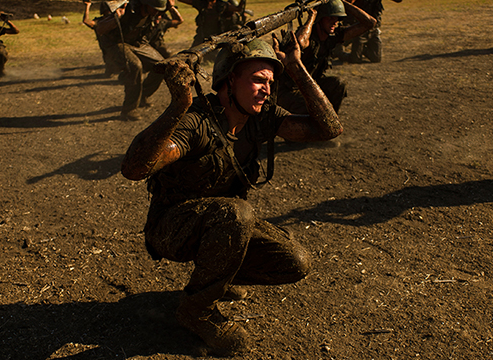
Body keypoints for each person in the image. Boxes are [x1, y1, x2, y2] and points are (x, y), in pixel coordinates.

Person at [121, 33, 343, 355]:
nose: (266, 89)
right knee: (237, 213)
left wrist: (295, 66)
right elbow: (134, 168)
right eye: (257, 80)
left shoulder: (262, 117)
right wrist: (178, 105)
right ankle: (196, 310)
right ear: (228, 80)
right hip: (172, 228)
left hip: (223, 226)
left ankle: (214, 281)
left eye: (269, 81)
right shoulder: (196, 121)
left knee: (295, 262)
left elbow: (329, 129)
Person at [277, 0, 376, 114]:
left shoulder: (332, 37)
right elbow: (301, 42)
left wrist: (343, 3)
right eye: (330, 18)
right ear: (320, 19)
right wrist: (311, 18)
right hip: (289, 90)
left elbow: (370, 23)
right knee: (313, 106)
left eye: (337, 18)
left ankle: (329, 122)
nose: (334, 22)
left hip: (310, 85)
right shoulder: (308, 35)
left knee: (338, 84)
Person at [94, 0, 168, 121]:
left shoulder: (151, 14)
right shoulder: (126, 10)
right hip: (117, 43)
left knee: (162, 65)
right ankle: (129, 110)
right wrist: (116, 18)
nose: (156, 12)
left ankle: (143, 94)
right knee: (135, 67)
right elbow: (100, 28)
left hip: (138, 42)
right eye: (155, 9)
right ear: (146, 5)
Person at [177, 0, 247, 60]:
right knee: (192, 53)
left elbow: (238, 9)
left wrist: (242, 2)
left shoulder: (221, 5)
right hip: (202, 34)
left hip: (215, 35)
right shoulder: (201, 3)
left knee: (215, 57)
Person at [82, 1, 127, 76]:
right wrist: (87, 6)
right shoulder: (100, 22)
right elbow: (86, 21)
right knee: (111, 70)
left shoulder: (115, 20)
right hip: (108, 52)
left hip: (119, 50)